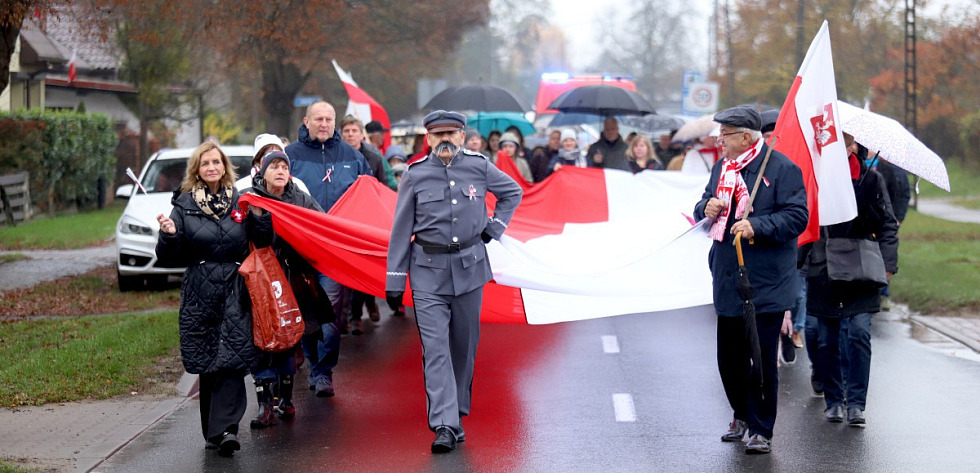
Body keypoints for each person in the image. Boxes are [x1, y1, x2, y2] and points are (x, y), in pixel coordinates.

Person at [385, 110, 522, 453]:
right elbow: (401, 230)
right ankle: (444, 424)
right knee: (435, 350)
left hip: (470, 269)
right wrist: (395, 279)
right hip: (427, 271)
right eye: (438, 135)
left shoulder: (479, 166)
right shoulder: (415, 175)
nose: (445, 140)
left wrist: (494, 228)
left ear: (462, 136)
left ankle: (457, 413)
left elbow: (512, 193)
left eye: (451, 134)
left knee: (463, 347)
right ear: (427, 139)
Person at [692, 106, 808, 454]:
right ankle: (741, 413)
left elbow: (797, 216)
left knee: (760, 357)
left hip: (766, 281)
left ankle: (761, 428)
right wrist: (706, 207)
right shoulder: (722, 167)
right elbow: (701, 206)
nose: (719, 140)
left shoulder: (782, 169)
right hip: (728, 275)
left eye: (725, 134)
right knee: (729, 359)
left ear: (745, 137)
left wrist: (758, 226)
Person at [155, 141, 254, 457]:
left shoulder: (241, 202)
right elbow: (170, 256)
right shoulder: (184, 206)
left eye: (216, 162)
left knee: (234, 358)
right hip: (201, 291)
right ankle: (214, 430)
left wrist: (263, 219)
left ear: (225, 166)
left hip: (237, 289)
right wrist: (170, 234)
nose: (212, 167)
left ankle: (227, 429)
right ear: (196, 169)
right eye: (205, 163)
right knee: (209, 359)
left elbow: (261, 240)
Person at [804, 134, 898, 427]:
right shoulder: (814, 176)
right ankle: (834, 400)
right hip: (824, 267)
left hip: (860, 267)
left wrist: (888, 265)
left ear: (851, 148)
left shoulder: (870, 180)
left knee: (858, 333)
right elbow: (802, 219)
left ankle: (856, 403)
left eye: (841, 146)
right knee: (827, 338)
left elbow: (887, 225)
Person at [285, 100, 373, 397]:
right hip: (299, 250)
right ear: (306, 121)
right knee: (305, 314)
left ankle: (324, 371)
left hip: (335, 252)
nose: (324, 124)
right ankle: (311, 360)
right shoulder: (291, 157)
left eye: (329, 119)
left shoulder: (352, 156)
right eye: (318, 119)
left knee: (331, 317)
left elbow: (368, 197)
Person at [241, 150, 331, 429]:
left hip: (292, 278)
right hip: (260, 281)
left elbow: (322, 225)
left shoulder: (300, 198)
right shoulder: (249, 198)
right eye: (274, 166)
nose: (280, 171)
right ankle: (264, 404)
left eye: (284, 167)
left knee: (289, 337)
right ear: (262, 172)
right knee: (263, 338)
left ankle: (286, 399)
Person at [235, 133, 310, 194]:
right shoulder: (241, 187)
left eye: (278, 155)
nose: (272, 158)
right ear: (257, 161)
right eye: (267, 156)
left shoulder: (298, 186)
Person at [341, 115, 398, 191]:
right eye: (346, 131)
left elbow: (383, 186)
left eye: (354, 131)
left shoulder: (375, 158)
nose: (350, 134)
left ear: (362, 135)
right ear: (341, 135)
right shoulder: (333, 158)